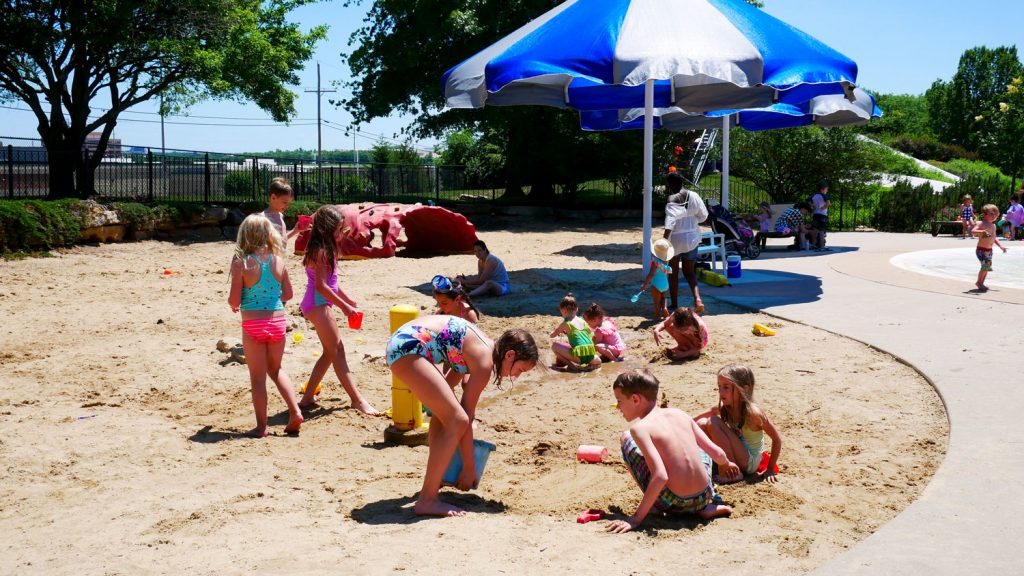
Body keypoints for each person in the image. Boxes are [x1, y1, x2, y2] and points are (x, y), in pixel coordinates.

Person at [386, 317, 538, 516]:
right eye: (520, 370)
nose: (516, 376)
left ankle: (437, 478)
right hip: (409, 347)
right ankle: (427, 500)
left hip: (402, 343)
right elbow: (466, 416)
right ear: (510, 355)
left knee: (446, 415)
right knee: (458, 420)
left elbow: (446, 391)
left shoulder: (478, 347)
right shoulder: (484, 360)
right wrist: (468, 467)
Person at [605, 369, 736, 533]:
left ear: (635, 399)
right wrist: (727, 464)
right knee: (697, 448)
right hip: (704, 497)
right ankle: (705, 508)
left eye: (619, 401)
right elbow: (717, 453)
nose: (618, 406)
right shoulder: (680, 414)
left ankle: (654, 506)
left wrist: (636, 519)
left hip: (674, 503)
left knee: (626, 438)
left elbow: (660, 476)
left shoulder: (640, 428)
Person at [228, 213, 303, 438]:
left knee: (258, 377)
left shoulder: (241, 263)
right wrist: (271, 295)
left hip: (253, 324)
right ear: (270, 234)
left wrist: (237, 303)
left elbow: (234, 300)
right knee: (276, 369)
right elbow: (288, 294)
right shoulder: (278, 261)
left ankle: (261, 427)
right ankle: (295, 411)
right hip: (278, 321)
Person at [298, 205, 378, 414]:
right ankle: (357, 400)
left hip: (318, 303)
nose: (341, 234)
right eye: (338, 230)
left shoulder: (325, 248)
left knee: (329, 352)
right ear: (326, 229)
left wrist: (347, 299)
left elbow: (331, 283)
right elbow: (321, 286)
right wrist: (344, 307)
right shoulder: (321, 251)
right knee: (338, 351)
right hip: (317, 304)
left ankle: (307, 397)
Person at [695, 363, 782, 485]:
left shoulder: (753, 413)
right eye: (719, 386)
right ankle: (709, 462)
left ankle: (731, 472)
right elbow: (695, 420)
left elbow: (777, 439)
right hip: (737, 453)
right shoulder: (726, 407)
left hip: (749, 462)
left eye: (726, 387)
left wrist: (770, 468)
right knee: (701, 424)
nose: (721, 391)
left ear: (744, 389)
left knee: (713, 422)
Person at [662, 172, 708, 314]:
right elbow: (703, 216)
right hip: (692, 238)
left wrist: (664, 240)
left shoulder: (672, 199)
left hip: (676, 240)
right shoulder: (694, 196)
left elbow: (670, 223)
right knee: (690, 273)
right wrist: (691, 220)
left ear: (671, 184)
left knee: (673, 274)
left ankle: (674, 304)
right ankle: (698, 300)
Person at [549, 293, 600, 371]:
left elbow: (552, 335)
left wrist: (555, 332)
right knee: (596, 359)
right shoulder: (582, 321)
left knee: (554, 346)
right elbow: (589, 332)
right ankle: (593, 364)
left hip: (579, 357)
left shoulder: (566, 323)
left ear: (563, 311)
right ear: (577, 309)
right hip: (591, 355)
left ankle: (572, 366)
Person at [263, 177, 310, 247]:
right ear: (273, 197)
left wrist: (295, 231)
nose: (287, 206)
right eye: (285, 202)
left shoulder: (280, 215)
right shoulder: (263, 219)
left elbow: (282, 241)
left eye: (289, 203)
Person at [971, 204, 1008, 292]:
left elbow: (994, 238)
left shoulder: (993, 226)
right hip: (981, 250)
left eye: (995, 214)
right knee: (985, 266)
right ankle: (979, 282)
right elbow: (973, 231)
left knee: (987, 267)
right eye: (991, 214)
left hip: (989, 250)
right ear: (985, 214)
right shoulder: (982, 224)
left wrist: (1001, 246)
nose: (994, 216)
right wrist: (981, 231)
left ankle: (981, 283)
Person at [638, 239, 673, 320]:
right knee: (663, 298)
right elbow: (667, 272)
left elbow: (651, 274)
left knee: (656, 302)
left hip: (656, 284)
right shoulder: (665, 262)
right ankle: (664, 308)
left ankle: (658, 316)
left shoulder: (655, 263)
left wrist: (645, 284)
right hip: (665, 284)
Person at [810, 180, 831, 251]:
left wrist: (813, 208)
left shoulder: (814, 196)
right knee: (822, 230)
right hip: (822, 215)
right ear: (822, 189)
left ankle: (813, 244)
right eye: (826, 189)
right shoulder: (823, 195)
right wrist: (824, 207)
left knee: (815, 230)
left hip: (815, 214)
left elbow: (809, 202)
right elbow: (828, 202)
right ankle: (822, 246)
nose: (827, 191)